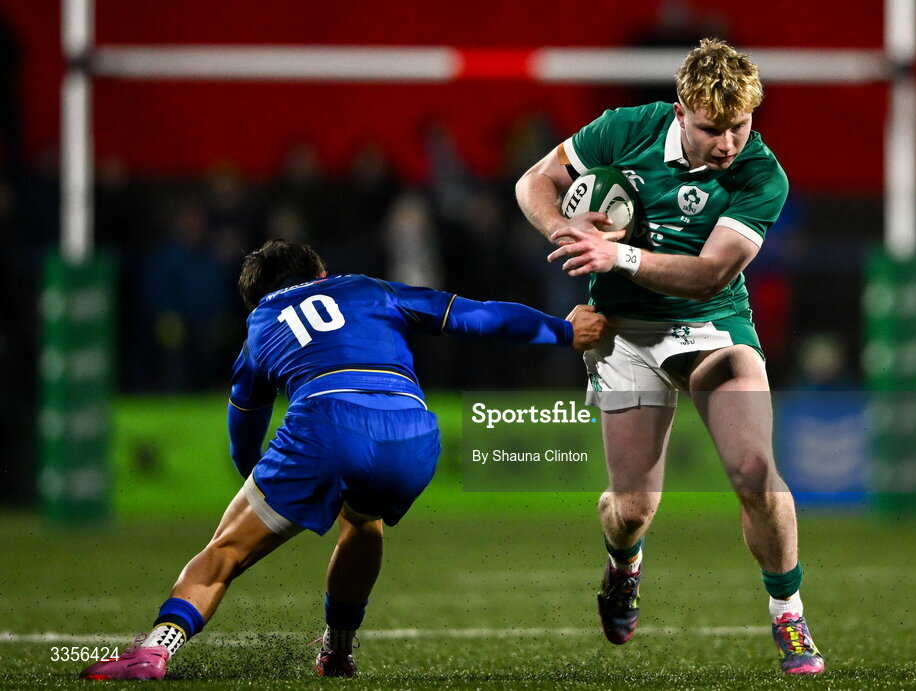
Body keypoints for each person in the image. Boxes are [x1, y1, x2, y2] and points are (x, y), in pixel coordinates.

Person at [79, 239, 606, 681]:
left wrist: (260, 480)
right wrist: (563, 332)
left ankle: (154, 651)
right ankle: (337, 649)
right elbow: (475, 316)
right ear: (320, 274)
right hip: (413, 432)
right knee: (363, 521)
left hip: (326, 427)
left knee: (225, 552)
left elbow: (243, 425)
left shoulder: (261, 326)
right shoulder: (367, 288)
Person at [514, 38, 825, 675]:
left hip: (712, 329)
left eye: (741, 126)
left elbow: (710, 274)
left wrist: (618, 256)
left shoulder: (761, 175)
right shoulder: (625, 130)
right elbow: (534, 181)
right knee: (632, 510)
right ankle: (623, 567)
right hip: (623, 333)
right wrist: (565, 230)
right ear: (682, 110)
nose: (729, 144)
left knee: (754, 473)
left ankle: (789, 614)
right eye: (714, 129)